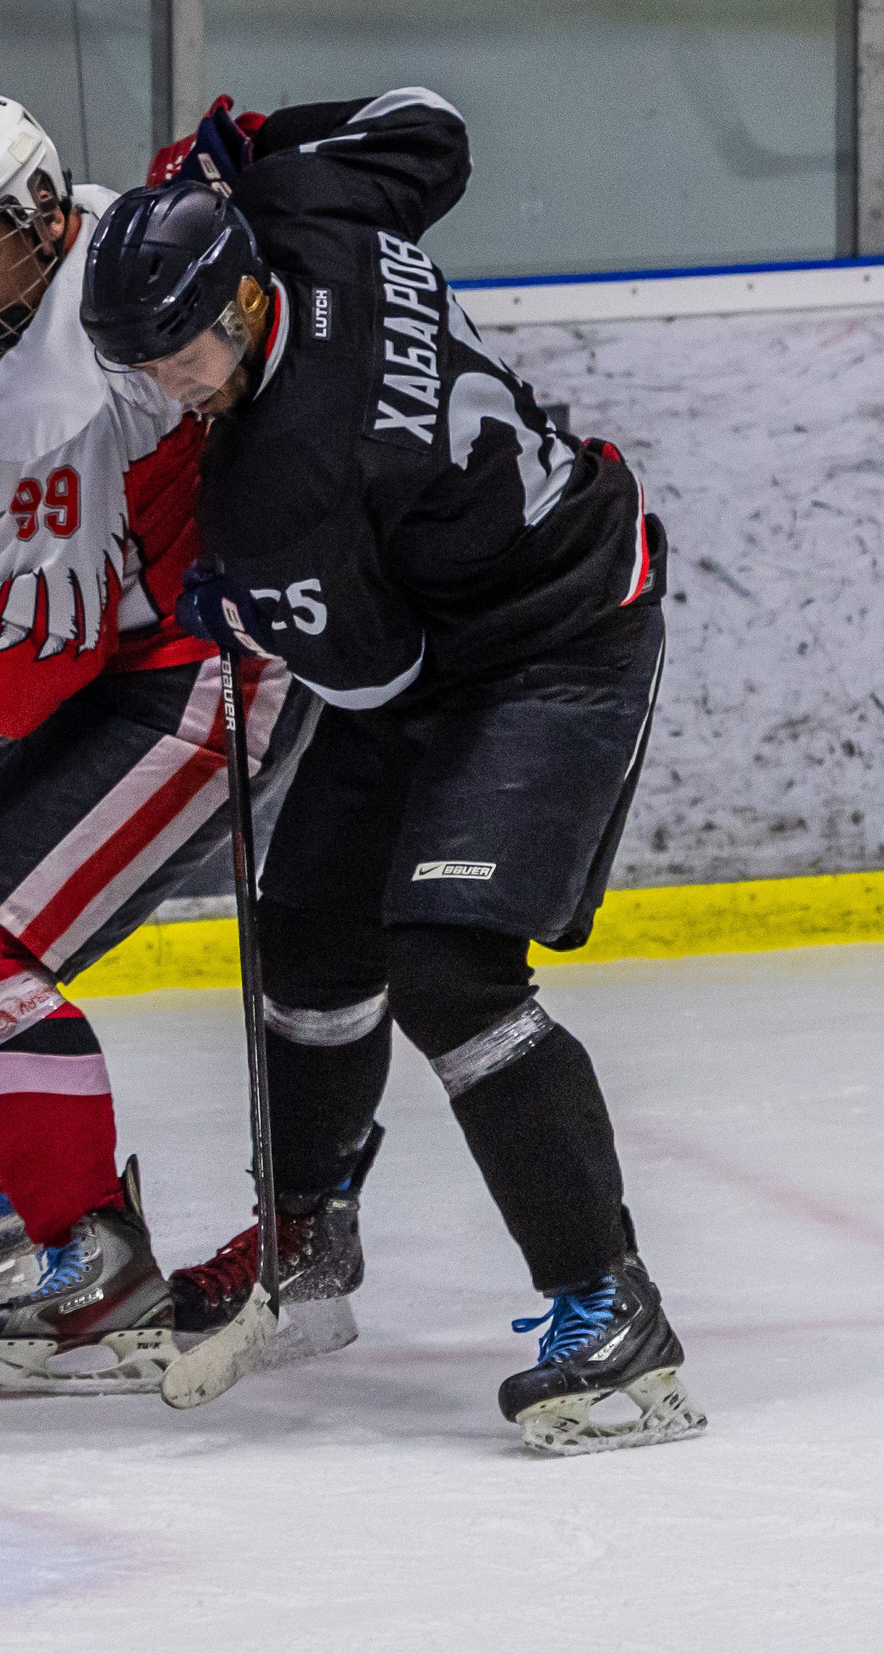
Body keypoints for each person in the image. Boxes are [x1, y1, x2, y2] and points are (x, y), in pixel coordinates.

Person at [80, 89, 703, 1451]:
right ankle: (306, 1233)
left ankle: (608, 1306)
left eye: (179, 356)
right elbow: (432, 125)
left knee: (446, 966)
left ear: (242, 302)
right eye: (145, 368)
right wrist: (268, 144)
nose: (167, 390)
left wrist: (247, 609)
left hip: (555, 636)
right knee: (306, 928)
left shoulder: (281, 485)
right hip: (441, 613)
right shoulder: (309, 207)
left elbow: (372, 678)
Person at [0, 91, 323, 1395]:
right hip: (145, 638)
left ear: (37, 209)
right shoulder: (105, 229)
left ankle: (97, 1261)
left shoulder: (50, 399)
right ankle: (41, 1175)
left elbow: (43, 644)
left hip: (204, 671)